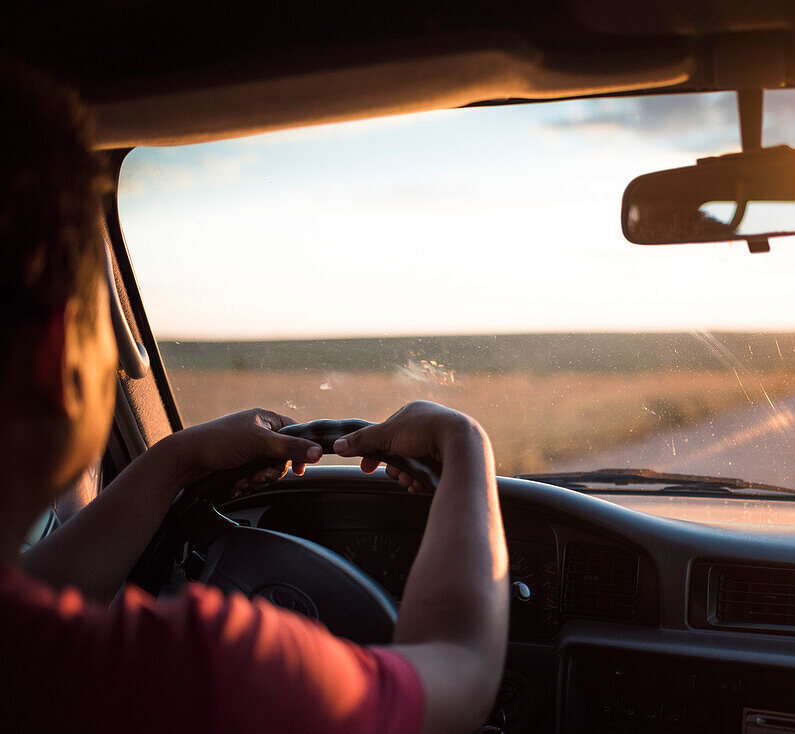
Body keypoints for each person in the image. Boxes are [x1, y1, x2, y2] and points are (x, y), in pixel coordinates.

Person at [0, 59, 509, 733]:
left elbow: (41, 584)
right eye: (104, 323)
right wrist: (463, 446)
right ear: (59, 357)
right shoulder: (200, 674)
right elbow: (457, 669)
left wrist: (180, 458)